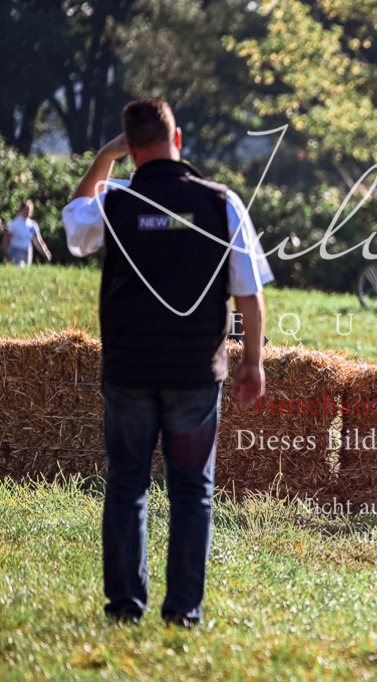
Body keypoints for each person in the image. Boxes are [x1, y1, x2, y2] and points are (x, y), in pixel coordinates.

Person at [61, 97, 273, 628]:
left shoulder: (114, 202)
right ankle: (183, 612)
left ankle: (125, 608)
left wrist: (104, 159)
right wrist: (253, 361)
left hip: (129, 371)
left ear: (131, 150)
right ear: (178, 141)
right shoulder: (221, 202)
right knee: (192, 491)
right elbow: (248, 293)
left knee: (127, 484)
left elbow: (73, 227)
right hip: (194, 375)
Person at [3, 200, 52, 266]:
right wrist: (5, 253)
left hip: (26, 252)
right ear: (21, 210)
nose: (27, 212)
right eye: (26, 209)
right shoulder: (13, 224)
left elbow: (38, 241)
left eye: (29, 210)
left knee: (25, 272)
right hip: (15, 251)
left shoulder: (33, 225)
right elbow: (6, 239)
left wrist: (45, 252)